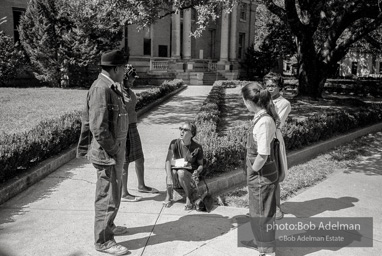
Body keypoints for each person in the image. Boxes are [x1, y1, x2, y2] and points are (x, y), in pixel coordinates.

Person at [77, 50, 129, 255]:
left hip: (113, 151)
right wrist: (115, 149)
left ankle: (109, 227)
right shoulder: (101, 89)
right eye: (124, 67)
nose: (126, 71)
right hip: (107, 154)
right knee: (106, 197)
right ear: (115, 69)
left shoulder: (110, 86)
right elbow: (98, 127)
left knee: (113, 195)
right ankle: (103, 241)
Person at [241, 82, 279, 256]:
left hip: (261, 174)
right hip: (260, 175)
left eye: (243, 100)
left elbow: (262, 155)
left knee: (263, 214)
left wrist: (253, 171)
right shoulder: (261, 117)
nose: (243, 103)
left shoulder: (263, 122)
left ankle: (267, 250)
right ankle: (260, 242)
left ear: (249, 101)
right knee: (257, 211)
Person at [119, 64, 159, 202]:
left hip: (132, 127)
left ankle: (141, 185)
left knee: (140, 158)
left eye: (133, 79)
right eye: (130, 79)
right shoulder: (118, 91)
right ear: (124, 78)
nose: (132, 81)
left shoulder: (129, 91)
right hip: (123, 129)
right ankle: (124, 193)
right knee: (125, 161)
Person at [264, 72, 291, 220]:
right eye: (267, 85)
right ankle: (263, 207)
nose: (270, 88)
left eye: (273, 85)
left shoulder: (284, 104)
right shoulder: (262, 100)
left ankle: (277, 207)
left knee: (274, 176)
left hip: (273, 140)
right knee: (261, 176)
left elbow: (276, 122)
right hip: (260, 140)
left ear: (279, 87)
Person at [163, 122, 204, 210]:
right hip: (176, 174)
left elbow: (201, 165)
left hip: (189, 176)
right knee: (172, 171)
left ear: (192, 134)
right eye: (180, 129)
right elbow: (167, 161)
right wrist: (169, 177)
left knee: (180, 172)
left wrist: (197, 171)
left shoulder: (197, 147)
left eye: (185, 130)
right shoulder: (174, 143)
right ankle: (168, 195)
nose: (181, 131)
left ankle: (188, 197)